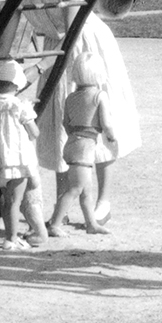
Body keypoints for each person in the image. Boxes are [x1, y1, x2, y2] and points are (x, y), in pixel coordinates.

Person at [6, 0, 141, 221]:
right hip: (55, 49)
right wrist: (4, 71)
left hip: (86, 45)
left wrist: (38, 66)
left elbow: (71, 33)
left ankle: (103, 200)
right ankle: (61, 206)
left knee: (94, 116)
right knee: (58, 122)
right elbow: (9, 38)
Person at [0, 59, 48, 246]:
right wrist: (29, 108)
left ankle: (10, 237)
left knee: (7, 200)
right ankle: (11, 239)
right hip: (16, 162)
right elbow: (34, 133)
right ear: (17, 85)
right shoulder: (19, 105)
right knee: (15, 202)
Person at [50, 45, 118, 236]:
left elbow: (66, 123)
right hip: (85, 147)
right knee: (75, 188)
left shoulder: (71, 97)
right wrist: (111, 137)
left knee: (86, 191)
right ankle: (55, 223)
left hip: (72, 143)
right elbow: (106, 123)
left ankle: (91, 223)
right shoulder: (99, 95)